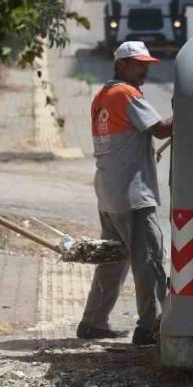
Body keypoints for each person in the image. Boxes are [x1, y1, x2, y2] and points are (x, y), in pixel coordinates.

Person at [81, 41, 172, 345]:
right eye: (138, 63)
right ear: (121, 65)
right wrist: (191, 107)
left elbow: (129, 138)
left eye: (146, 63)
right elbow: (160, 129)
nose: (145, 69)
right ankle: (151, 325)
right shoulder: (126, 93)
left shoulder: (103, 96)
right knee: (149, 259)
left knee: (113, 260)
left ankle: (93, 322)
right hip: (132, 195)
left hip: (110, 192)